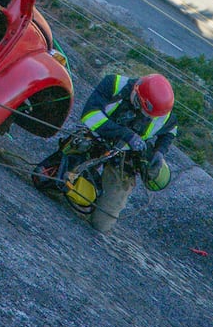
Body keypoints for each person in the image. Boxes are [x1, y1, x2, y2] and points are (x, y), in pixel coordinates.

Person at [35, 72, 177, 233]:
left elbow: (171, 130)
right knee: (43, 178)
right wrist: (125, 134)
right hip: (95, 140)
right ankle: (70, 179)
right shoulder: (114, 84)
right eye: (138, 105)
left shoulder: (161, 113)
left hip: (124, 158)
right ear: (136, 90)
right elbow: (90, 115)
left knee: (101, 225)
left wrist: (160, 151)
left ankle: (95, 196)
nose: (141, 113)